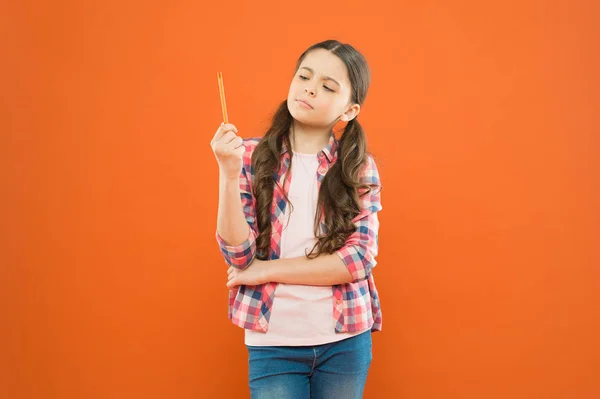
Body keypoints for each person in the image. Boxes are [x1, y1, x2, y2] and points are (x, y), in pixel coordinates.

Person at [210, 39, 383, 399]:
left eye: (327, 86)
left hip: (345, 338)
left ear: (349, 110)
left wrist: (267, 269)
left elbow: (357, 260)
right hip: (273, 341)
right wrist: (227, 174)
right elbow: (239, 258)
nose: (310, 87)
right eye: (305, 76)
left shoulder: (358, 168)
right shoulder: (249, 157)